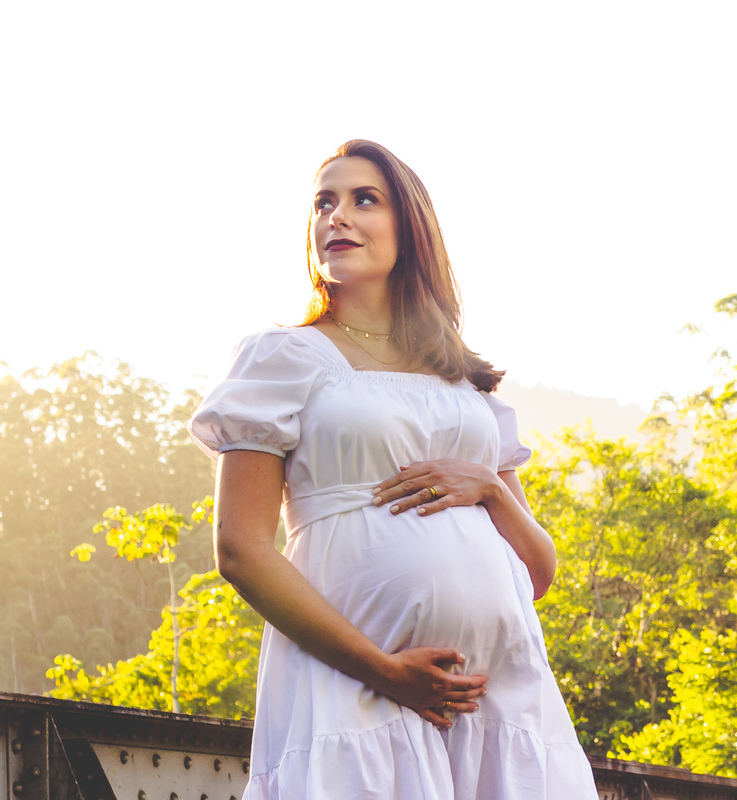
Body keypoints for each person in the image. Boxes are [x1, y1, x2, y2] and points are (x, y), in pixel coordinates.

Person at [188, 140, 600, 799]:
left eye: (363, 200)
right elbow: (239, 549)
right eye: (324, 202)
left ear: (410, 228)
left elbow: (539, 570)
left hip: (497, 699)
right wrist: (384, 671)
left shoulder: (466, 382)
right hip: (358, 686)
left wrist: (492, 490)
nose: (336, 216)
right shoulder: (283, 358)